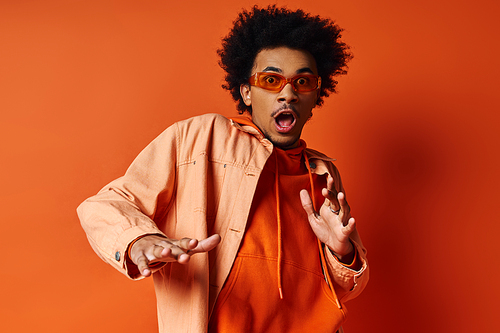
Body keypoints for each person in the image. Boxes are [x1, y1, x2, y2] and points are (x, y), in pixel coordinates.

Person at [77, 5, 368, 333]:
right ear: (246, 91)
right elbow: (105, 205)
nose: (288, 93)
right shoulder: (202, 137)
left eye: (302, 81)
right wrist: (139, 241)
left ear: (315, 95)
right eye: (271, 80)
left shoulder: (324, 174)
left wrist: (343, 252)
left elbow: (342, 289)